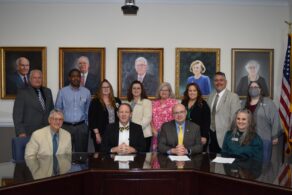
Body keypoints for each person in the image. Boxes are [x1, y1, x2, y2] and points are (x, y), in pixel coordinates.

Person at [244, 81, 282, 161]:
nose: (253, 89)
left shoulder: (268, 102)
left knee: (263, 164)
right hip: (247, 139)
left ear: (260, 89)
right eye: (251, 87)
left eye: (255, 87)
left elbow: (275, 119)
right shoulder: (244, 103)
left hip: (264, 139)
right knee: (249, 164)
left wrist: (274, 136)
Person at [55, 68, 91, 152]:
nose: (76, 78)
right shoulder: (62, 92)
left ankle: (82, 165)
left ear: (81, 78)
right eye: (73, 76)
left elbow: (88, 110)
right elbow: (58, 109)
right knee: (64, 153)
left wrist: (86, 126)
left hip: (81, 127)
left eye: (78, 76)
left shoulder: (86, 92)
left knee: (81, 153)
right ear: (69, 78)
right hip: (65, 127)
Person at [13, 69, 54, 137]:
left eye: (39, 77)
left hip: (47, 132)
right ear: (30, 79)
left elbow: (52, 111)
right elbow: (17, 115)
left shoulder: (48, 91)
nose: (37, 80)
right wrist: (20, 132)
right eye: (34, 78)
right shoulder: (22, 93)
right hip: (29, 132)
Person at [207, 72, 241, 153]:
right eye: (216, 80)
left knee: (224, 163)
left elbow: (235, 119)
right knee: (211, 162)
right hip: (211, 136)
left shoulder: (233, 97)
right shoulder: (210, 96)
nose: (218, 82)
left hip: (225, 137)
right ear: (213, 82)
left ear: (226, 82)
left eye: (221, 80)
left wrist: (233, 138)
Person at [88, 79, 121, 152]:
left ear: (110, 88)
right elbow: (92, 119)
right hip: (100, 133)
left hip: (115, 133)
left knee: (114, 155)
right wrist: (97, 134)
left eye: (107, 87)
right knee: (101, 155)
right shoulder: (95, 101)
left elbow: (120, 116)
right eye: (103, 87)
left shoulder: (116, 100)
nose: (106, 89)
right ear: (100, 89)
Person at [181, 83, 210, 152]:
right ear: (187, 92)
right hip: (185, 135)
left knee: (198, 158)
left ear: (198, 92)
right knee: (186, 155)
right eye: (190, 91)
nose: (192, 92)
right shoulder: (183, 103)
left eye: (194, 90)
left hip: (199, 136)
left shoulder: (203, 104)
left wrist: (204, 136)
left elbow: (207, 121)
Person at [151, 82, 178, 151]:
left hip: (170, 134)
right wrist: (153, 130)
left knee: (169, 154)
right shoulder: (154, 103)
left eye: (166, 90)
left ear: (170, 92)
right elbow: (150, 118)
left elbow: (178, 118)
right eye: (162, 90)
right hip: (156, 134)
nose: (164, 92)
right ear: (159, 92)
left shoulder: (174, 102)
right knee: (156, 156)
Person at [127, 80, 152, 152]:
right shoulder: (128, 102)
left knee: (143, 158)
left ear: (142, 90)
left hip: (144, 135)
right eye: (134, 88)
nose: (136, 90)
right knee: (132, 156)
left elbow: (147, 119)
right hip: (131, 135)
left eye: (138, 88)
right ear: (131, 90)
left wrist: (135, 131)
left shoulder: (147, 102)